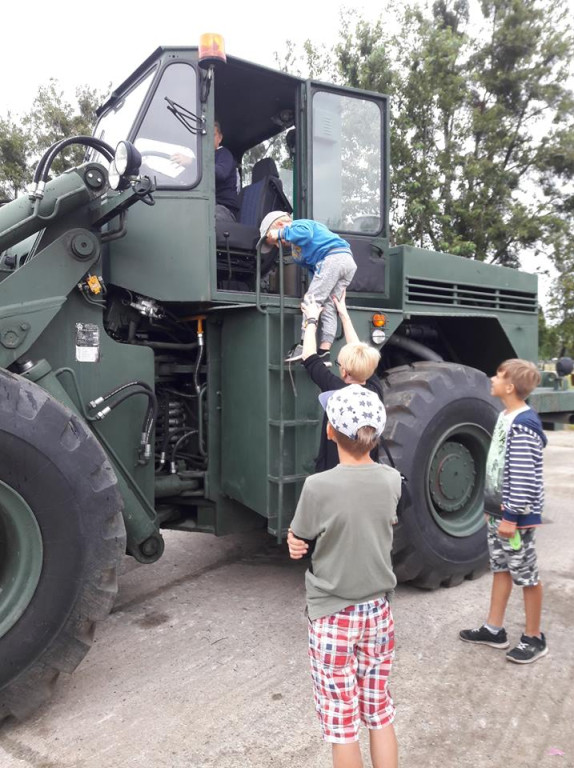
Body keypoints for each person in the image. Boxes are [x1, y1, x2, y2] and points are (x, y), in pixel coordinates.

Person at [287, 384, 401, 768]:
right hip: (377, 614)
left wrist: (293, 542)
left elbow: (299, 539)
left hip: (332, 616)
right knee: (379, 711)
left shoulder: (317, 487)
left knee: (342, 723)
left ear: (330, 431)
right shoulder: (391, 480)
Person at [459, 358, 548, 664]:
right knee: (500, 568)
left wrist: (511, 516)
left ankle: (534, 637)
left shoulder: (524, 424)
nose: (491, 378)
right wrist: (492, 507)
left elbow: (523, 476)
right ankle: (494, 628)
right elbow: (497, 465)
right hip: (500, 513)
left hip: (516, 518)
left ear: (510, 387)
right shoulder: (505, 416)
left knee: (526, 575)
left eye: (497, 375)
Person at [301, 290, 383, 472]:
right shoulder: (375, 389)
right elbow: (357, 350)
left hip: (334, 471)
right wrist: (343, 314)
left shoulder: (336, 390)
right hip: (367, 473)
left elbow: (308, 357)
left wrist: (311, 319)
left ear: (344, 371)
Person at [259, 212, 357, 363]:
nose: (279, 244)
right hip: (343, 262)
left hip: (333, 258)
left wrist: (278, 233)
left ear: (280, 225)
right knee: (329, 305)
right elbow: (314, 268)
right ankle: (325, 352)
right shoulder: (296, 250)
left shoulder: (299, 225)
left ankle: (304, 345)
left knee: (310, 302)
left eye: (276, 241)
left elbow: (305, 233)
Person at [172, 121, 239, 221]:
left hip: (224, 209)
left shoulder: (224, 154)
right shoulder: (202, 160)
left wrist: (191, 163)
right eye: (205, 135)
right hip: (207, 205)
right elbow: (184, 180)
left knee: (200, 217)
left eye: (213, 135)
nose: (208, 139)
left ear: (219, 138)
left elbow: (221, 173)